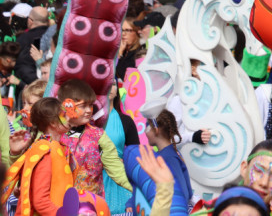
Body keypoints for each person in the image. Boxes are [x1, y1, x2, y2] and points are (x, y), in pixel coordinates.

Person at [57, 79, 132, 196]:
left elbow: (116, 168)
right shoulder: (53, 134)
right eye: (83, 106)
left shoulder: (98, 135)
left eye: (90, 105)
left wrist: (139, 189)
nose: (88, 111)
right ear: (67, 106)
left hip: (90, 206)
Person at [1, 97, 74, 216]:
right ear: (53, 122)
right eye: (64, 115)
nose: (69, 117)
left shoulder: (59, 147)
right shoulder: (45, 152)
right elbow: (40, 201)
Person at [125, 110, 193, 216]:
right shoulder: (168, 154)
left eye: (147, 127)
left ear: (156, 130)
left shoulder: (168, 158)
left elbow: (181, 192)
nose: (145, 132)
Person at [103, 81, 140, 214]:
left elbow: (136, 155)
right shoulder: (86, 121)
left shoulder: (126, 121)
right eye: (104, 82)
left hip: (120, 178)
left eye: (112, 83)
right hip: (93, 177)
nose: (109, 87)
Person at [15, 5, 50, 86]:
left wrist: (37, 84)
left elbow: (22, 65)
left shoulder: (23, 39)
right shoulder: (56, 36)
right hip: (52, 83)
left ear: (30, 21)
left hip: (31, 87)